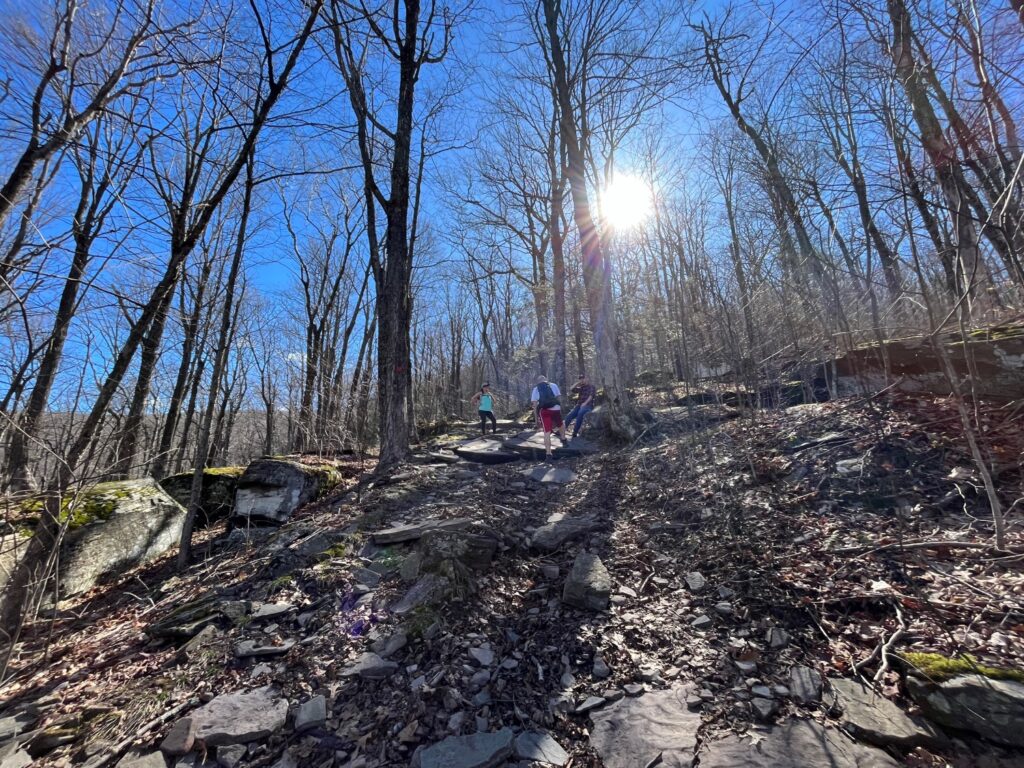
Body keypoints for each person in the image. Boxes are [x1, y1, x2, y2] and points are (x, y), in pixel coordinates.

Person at [530, 375, 567, 460]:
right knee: (560, 424)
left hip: (544, 411)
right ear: (546, 380)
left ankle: (549, 454)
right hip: (556, 409)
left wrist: (536, 419)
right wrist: (559, 409)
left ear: (538, 382)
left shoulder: (536, 389)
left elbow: (535, 405)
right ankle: (564, 440)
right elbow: (558, 398)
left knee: (546, 432)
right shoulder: (553, 385)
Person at [564, 373, 596, 440]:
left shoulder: (592, 387)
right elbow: (571, 389)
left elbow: (591, 396)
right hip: (579, 405)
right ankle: (562, 430)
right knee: (569, 415)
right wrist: (577, 383)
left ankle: (575, 432)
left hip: (588, 405)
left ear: (587, 378)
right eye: (580, 379)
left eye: (583, 378)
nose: (582, 380)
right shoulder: (581, 387)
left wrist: (585, 403)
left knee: (580, 413)